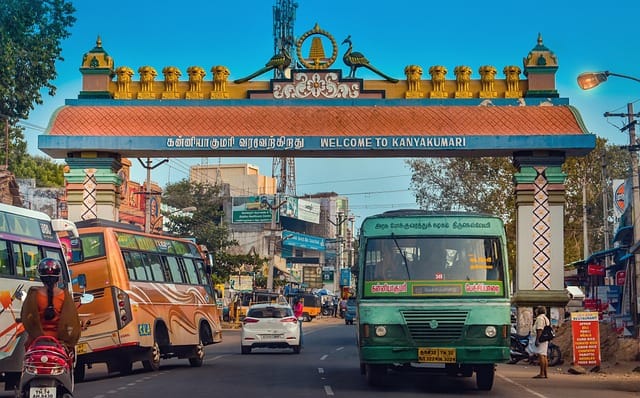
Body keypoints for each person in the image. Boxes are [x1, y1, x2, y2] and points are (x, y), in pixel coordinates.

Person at [21, 258, 81, 352]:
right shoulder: (65, 296)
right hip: (60, 346)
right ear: (58, 277)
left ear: (41, 276)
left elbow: (26, 318)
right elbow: (71, 321)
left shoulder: (33, 295)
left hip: (35, 344)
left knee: (28, 365)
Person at [531, 306, 550, 379]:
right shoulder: (545, 318)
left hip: (541, 338)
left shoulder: (540, 318)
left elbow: (539, 329)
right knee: (544, 355)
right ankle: (545, 373)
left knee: (541, 355)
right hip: (545, 338)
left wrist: (537, 339)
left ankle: (542, 373)